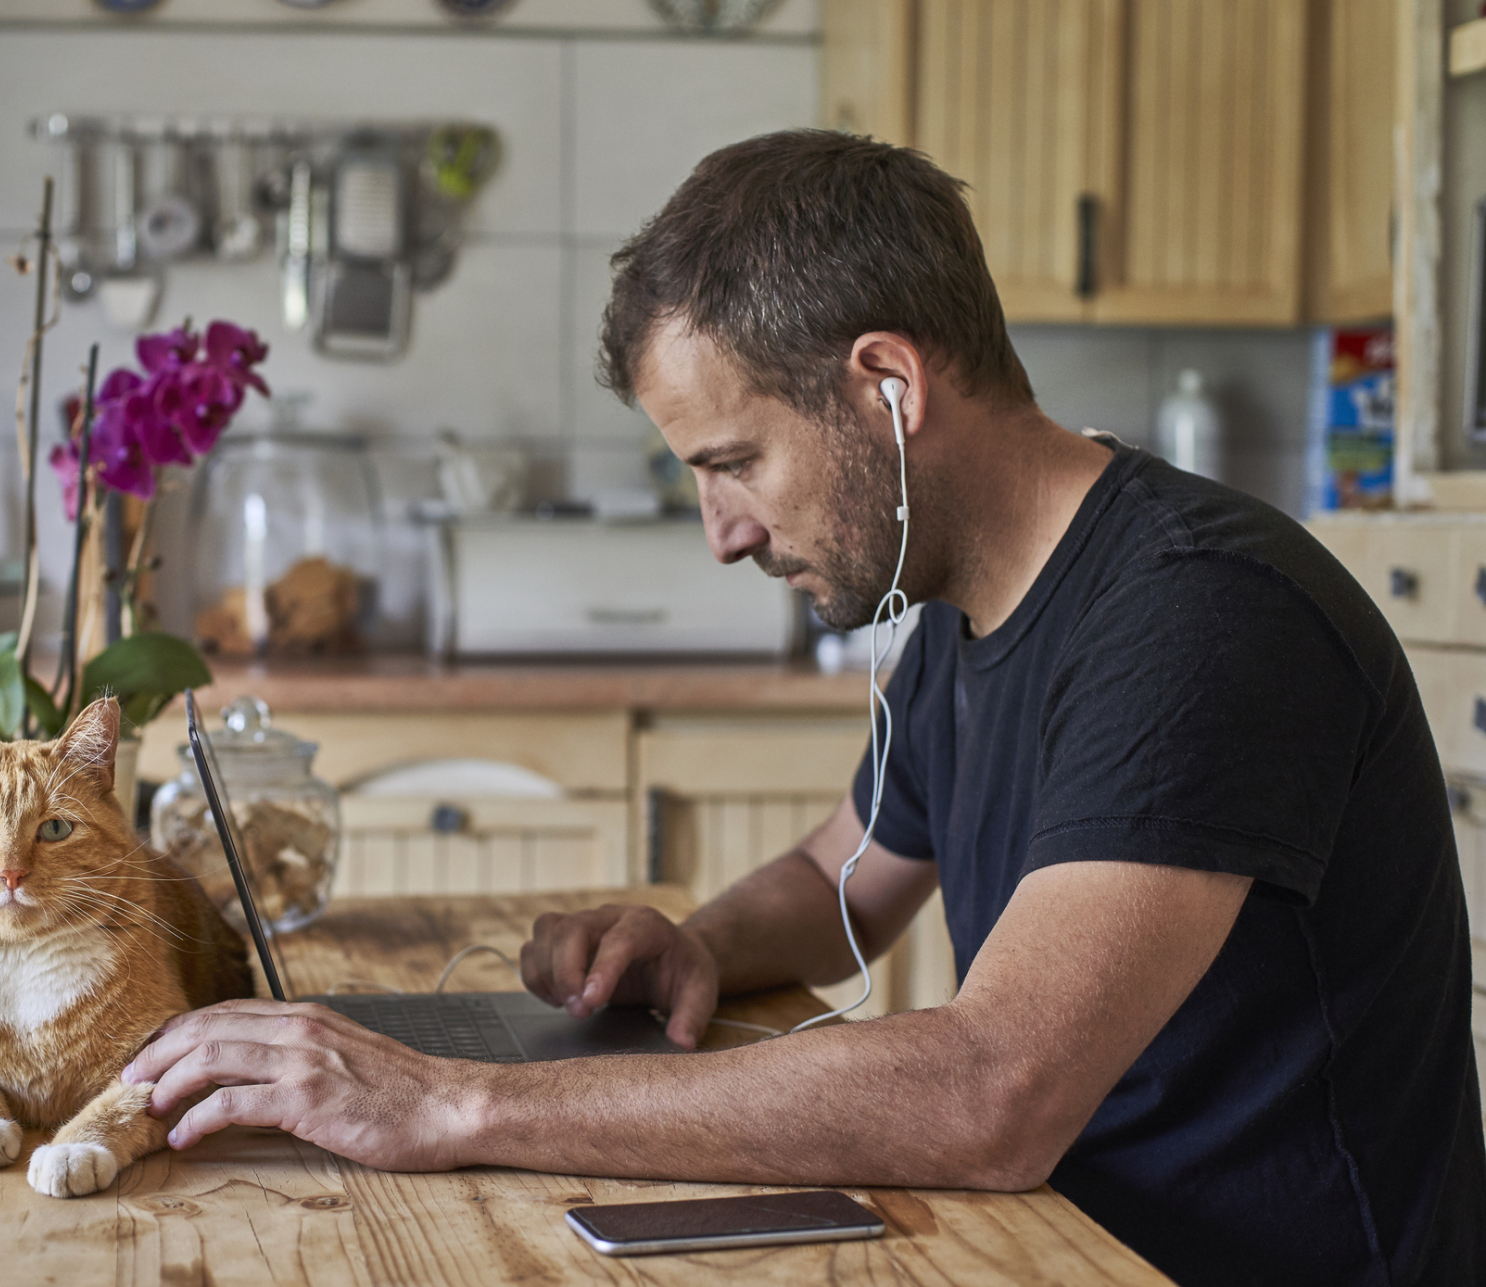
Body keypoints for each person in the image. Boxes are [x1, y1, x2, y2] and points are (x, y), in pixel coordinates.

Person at [124, 131, 1484, 1286]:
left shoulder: (1205, 618)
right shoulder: (963, 601)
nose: (721, 533)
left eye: (734, 463)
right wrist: (693, 944)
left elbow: (991, 1090)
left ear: (887, 387)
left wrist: (456, 1101)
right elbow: (844, 879)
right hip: (1054, 1244)